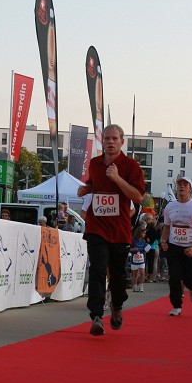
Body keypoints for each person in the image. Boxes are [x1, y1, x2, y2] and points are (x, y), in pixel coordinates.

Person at [77, 124, 146, 336]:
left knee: (116, 275)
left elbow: (138, 197)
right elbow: (94, 185)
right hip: (97, 226)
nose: (110, 142)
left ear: (122, 141)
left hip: (119, 229)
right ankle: (96, 316)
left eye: (114, 138)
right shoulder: (95, 164)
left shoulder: (130, 165)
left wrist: (116, 178)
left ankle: (117, 306)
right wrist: (86, 189)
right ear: (102, 141)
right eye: (106, 138)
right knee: (97, 269)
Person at [160, 176, 192, 316]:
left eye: (185, 184)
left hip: (190, 247)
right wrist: (164, 241)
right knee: (174, 277)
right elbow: (167, 227)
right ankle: (176, 306)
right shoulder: (170, 207)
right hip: (174, 246)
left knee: (189, 278)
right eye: (179, 184)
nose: (181, 187)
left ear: (190, 189)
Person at [130, 224, 148, 292]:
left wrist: (146, 249)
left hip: (142, 259)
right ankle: (134, 285)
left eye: (145, 233)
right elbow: (129, 249)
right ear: (139, 233)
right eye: (143, 233)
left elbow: (144, 249)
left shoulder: (143, 241)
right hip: (135, 259)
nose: (144, 235)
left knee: (142, 272)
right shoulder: (133, 240)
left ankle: (141, 285)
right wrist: (134, 249)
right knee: (135, 273)